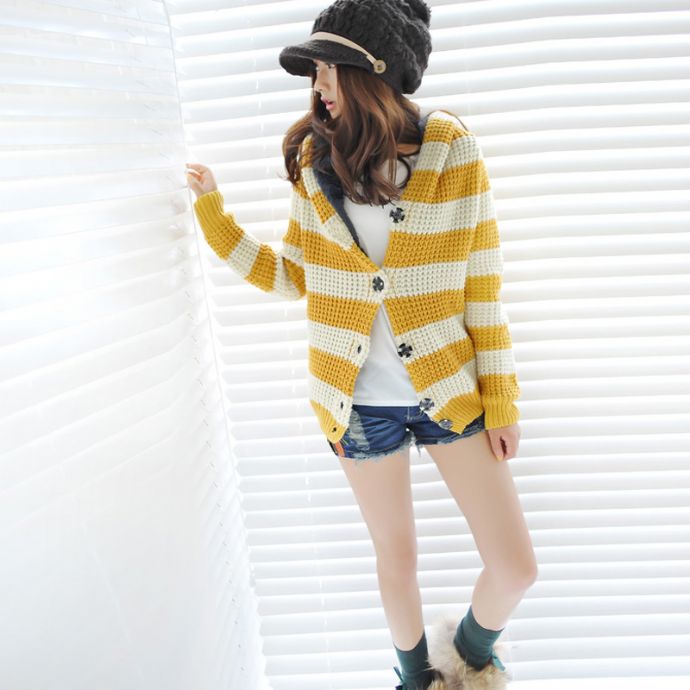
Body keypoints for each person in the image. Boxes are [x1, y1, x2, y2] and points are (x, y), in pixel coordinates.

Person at [186, 1, 538, 689]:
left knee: (515, 567)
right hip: (356, 404)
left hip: (449, 391)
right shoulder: (317, 163)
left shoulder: (452, 154)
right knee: (395, 559)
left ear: (371, 71)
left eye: (328, 68)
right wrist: (215, 219)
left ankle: (468, 654)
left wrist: (501, 401)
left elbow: (481, 288)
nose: (317, 84)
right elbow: (293, 276)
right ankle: (415, 681)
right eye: (314, 70)